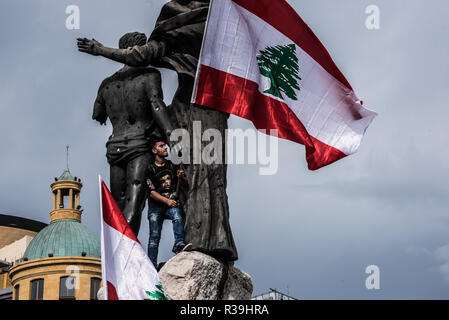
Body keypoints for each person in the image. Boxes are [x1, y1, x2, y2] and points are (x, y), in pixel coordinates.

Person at [78, 0, 238, 262]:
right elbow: (153, 96)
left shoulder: (211, 18)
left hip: (196, 108)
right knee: (191, 174)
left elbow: (139, 58)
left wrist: (100, 50)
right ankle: (199, 240)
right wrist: (168, 133)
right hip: (194, 107)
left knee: (203, 172)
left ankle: (207, 240)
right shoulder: (205, 19)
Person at [92, 32, 175, 236]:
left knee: (118, 205)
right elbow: (156, 104)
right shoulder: (149, 76)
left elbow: (97, 114)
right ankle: (127, 251)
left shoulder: (106, 83)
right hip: (139, 145)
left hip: (115, 147)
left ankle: (117, 247)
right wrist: (171, 133)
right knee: (134, 201)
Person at [147, 137, 190, 268]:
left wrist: (181, 177)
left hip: (171, 203)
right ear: (154, 151)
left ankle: (179, 244)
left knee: (177, 216)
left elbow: (185, 184)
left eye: (165, 145)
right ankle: (151, 265)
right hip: (156, 206)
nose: (165, 148)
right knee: (154, 237)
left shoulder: (172, 165)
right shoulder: (150, 169)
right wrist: (167, 201)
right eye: (161, 146)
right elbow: (151, 192)